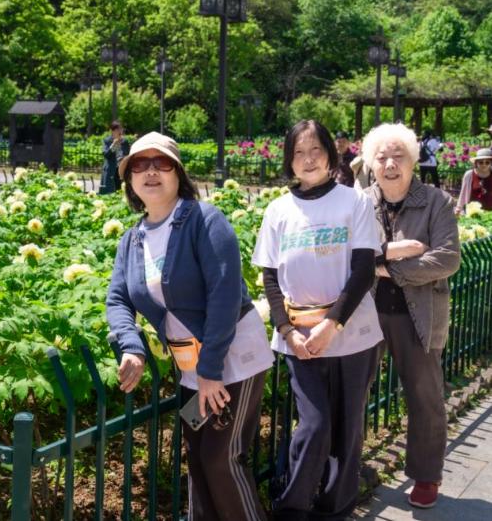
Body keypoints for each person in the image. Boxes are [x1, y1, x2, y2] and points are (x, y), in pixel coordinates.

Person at [107, 132, 274, 520]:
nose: (151, 172)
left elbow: (224, 294)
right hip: (190, 368)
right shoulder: (132, 240)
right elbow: (117, 299)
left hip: (232, 360)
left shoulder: (204, 220)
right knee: (197, 459)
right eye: (140, 165)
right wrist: (131, 346)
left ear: (178, 174)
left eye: (161, 163)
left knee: (221, 458)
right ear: (129, 179)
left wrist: (211, 371)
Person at [252, 119, 384, 521]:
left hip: (352, 333)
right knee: (315, 423)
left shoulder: (354, 201)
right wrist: (287, 330)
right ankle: (291, 509)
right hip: (299, 336)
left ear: (330, 154)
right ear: (289, 161)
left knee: (346, 428)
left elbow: (363, 270)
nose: (308, 159)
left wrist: (332, 325)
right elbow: (270, 278)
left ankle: (334, 510)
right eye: (299, 152)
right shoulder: (278, 209)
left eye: (316, 150)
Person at [362, 124, 461, 509]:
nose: (390, 164)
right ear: (371, 164)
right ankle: (345, 466)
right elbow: (351, 254)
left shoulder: (436, 201)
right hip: (366, 312)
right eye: (382, 157)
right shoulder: (359, 203)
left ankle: (425, 475)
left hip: (418, 314)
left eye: (398, 156)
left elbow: (447, 258)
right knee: (353, 392)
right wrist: (397, 250)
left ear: (413, 160)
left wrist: (386, 267)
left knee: (424, 397)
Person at [455, 147, 492, 214]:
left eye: (487, 162)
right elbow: (463, 193)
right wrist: (459, 208)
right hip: (472, 214)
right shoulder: (469, 175)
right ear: (476, 163)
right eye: (481, 162)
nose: (484, 165)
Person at [100, 121, 130, 194]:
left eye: (121, 129)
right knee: (109, 193)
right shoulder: (107, 141)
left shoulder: (125, 141)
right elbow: (106, 155)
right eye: (117, 129)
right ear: (112, 131)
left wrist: (123, 158)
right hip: (110, 170)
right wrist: (113, 145)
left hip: (121, 170)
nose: (120, 131)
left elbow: (128, 154)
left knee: (121, 192)